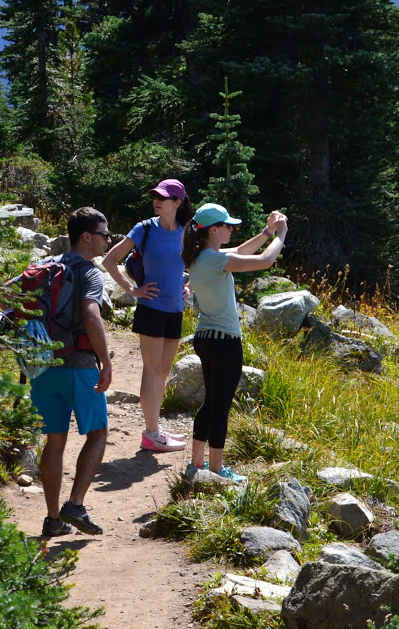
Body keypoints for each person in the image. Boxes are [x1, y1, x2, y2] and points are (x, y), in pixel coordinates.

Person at [9, 207, 112, 536]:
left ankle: (53, 519)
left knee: (55, 440)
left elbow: (5, 294)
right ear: (86, 236)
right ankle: (75, 505)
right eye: (104, 234)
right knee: (97, 434)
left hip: (43, 368)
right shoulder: (89, 272)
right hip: (79, 365)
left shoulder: (43, 267)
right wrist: (106, 362)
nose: (108, 240)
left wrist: (32, 328)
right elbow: (92, 316)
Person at [181, 202, 288, 482]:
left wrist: (266, 231)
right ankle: (216, 470)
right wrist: (281, 235)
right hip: (225, 341)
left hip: (204, 338)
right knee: (221, 406)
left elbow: (241, 252)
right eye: (227, 226)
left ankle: (196, 464)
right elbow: (265, 261)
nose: (231, 229)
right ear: (213, 230)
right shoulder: (214, 260)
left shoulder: (199, 256)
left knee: (210, 403)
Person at [103, 179, 192, 453]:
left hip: (175, 308)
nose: (156, 201)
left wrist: (188, 286)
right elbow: (110, 259)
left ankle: (155, 429)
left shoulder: (187, 233)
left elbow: (199, 262)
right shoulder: (144, 229)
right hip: (151, 308)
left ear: (177, 202)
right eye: (155, 196)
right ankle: (151, 433)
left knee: (163, 371)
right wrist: (132, 290)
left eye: (163, 197)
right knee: (152, 370)